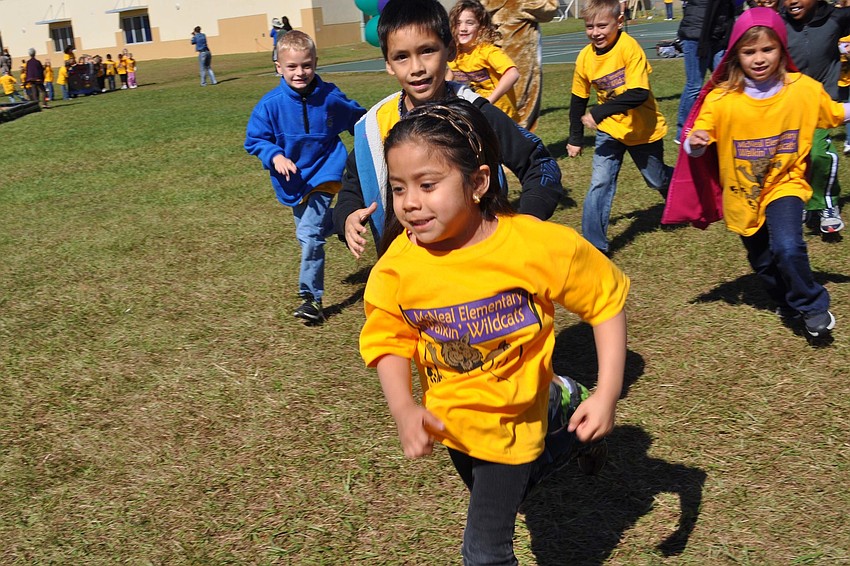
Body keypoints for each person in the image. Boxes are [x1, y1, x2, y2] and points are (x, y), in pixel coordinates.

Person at [360, 99, 628, 565]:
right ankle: (566, 423)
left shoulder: (531, 244)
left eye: (427, 185)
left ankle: (558, 409)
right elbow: (388, 338)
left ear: (479, 182)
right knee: (515, 482)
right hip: (453, 425)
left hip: (512, 420)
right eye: (399, 187)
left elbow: (604, 301)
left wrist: (607, 393)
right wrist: (404, 408)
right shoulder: (398, 266)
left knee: (484, 551)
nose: (409, 202)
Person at [332, 0, 563, 259]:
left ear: (450, 50)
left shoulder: (477, 114)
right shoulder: (374, 126)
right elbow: (353, 182)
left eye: (427, 50)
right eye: (401, 57)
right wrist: (347, 216)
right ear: (388, 63)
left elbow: (539, 163)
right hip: (410, 271)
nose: (417, 68)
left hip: (481, 263)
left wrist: (528, 219)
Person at [668, 7, 848, 338]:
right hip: (743, 193)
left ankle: (812, 304)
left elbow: (834, 113)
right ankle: (787, 300)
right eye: (749, 51)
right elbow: (699, 139)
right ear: (736, 54)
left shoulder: (802, 89)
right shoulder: (723, 99)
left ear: (782, 48)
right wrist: (697, 142)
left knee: (788, 246)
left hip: (785, 182)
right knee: (764, 260)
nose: (759, 58)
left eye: (768, 49)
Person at [244, 31, 366, 322]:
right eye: (292, 67)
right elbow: (255, 139)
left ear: (315, 62)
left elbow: (359, 118)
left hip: (325, 171)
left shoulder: (329, 96)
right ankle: (339, 221)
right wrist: (275, 155)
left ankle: (311, 298)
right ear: (278, 67)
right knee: (313, 228)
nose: (301, 72)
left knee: (309, 235)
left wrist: (377, 134)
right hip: (293, 180)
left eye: (307, 65)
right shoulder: (269, 104)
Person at [566, 0, 672, 255]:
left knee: (656, 179)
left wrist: (599, 111)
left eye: (602, 25)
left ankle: (681, 189)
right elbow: (577, 99)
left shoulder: (629, 48)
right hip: (610, 130)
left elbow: (638, 93)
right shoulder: (585, 57)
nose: (596, 32)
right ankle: (594, 246)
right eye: (590, 26)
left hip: (642, 129)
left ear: (620, 22)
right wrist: (575, 138)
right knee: (600, 181)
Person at [776, 0, 850, 234]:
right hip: (787, 105)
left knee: (818, 152)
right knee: (792, 157)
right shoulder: (777, 23)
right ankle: (800, 202)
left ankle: (827, 205)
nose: (792, 1)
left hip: (822, 100)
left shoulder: (837, 18)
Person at [479, 0, 560, 130]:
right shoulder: (519, 2)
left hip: (489, 71)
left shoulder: (480, 5)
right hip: (518, 68)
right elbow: (550, 9)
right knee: (521, 117)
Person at [674, 0, 741, 141]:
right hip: (697, 36)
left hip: (717, 35)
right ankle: (683, 132)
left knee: (725, 83)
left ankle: (725, 124)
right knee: (694, 85)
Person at [447, 0, 521, 122]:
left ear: (481, 27)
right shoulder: (455, 52)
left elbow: (513, 73)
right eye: (458, 23)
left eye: (469, 23)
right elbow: (451, 71)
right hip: (476, 113)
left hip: (501, 116)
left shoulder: (488, 51)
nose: (463, 28)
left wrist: (488, 101)